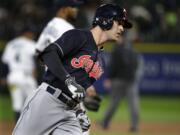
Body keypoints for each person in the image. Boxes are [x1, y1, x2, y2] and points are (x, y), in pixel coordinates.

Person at [12, 3, 132, 135]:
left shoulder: (100, 61)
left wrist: (81, 108)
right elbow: (48, 53)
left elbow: (77, 90)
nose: (122, 28)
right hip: (47, 101)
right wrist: (68, 80)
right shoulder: (79, 36)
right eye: (119, 22)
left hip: (70, 112)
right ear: (105, 21)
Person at [36, 1, 101, 135]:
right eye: (73, 7)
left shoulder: (49, 26)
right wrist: (88, 87)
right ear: (63, 9)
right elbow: (73, 60)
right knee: (82, 129)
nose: (76, 10)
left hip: (51, 86)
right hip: (67, 89)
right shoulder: (66, 28)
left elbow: (39, 52)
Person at [99, 33, 144, 132]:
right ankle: (134, 126)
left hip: (118, 80)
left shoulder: (117, 49)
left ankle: (104, 122)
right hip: (131, 80)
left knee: (113, 103)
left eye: (118, 37)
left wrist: (109, 78)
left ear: (121, 38)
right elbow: (137, 64)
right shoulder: (132, 50)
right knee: (133, 104)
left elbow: (113, 65)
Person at [1, 23, 38, 123]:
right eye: (32, 33)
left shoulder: (11, 44)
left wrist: (3, 76)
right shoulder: (31, 44)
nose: (33, 35)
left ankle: (18, 130)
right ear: (27, 33)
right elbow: (37, 60)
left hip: (13, 77)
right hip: (27, 77)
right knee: (34, 102)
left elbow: (5, 62)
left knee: (17, 104)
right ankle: (32, 128)